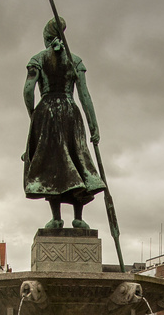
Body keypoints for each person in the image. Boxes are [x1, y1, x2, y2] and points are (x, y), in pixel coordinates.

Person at [22, 16, 107, 232]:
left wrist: (34, 114)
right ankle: (78, 218)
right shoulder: (75, 61)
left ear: (47, 38)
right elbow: (85, 95)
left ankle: (56, 218)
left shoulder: (38, 59)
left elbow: (27, 90)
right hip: (71, 112)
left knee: (52, 166)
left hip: (47, 113)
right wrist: (93, 125)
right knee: (78, 161)